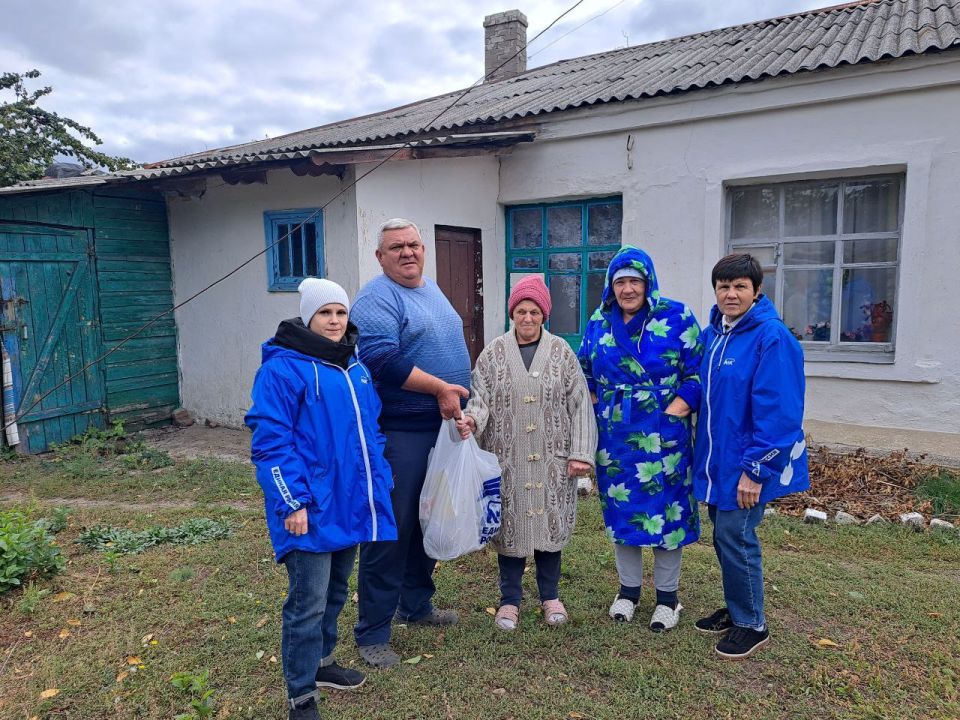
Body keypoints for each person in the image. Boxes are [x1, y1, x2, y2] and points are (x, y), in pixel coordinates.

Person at [245, 278, 398, 720]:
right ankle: (300, 694)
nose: (334, 321)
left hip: (349, 504)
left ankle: (323, 663)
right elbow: (272, 442)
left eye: (340, 312)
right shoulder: (283, 368)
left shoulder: (356, 367)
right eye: (325, 313)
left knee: (334, 591)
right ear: (307, 316)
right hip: (308, 509)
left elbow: (371, 433)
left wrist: (380, 481)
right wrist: (291, 500)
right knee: (306, 603)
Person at [350, 218, 472, 668]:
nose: (407, 252)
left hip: (439, 428)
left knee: (426, 519)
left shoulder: (431, 291)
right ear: (380, 256)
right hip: (400, 430)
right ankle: (373, 631)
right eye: (396, 247)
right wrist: (442, 388)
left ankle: (416, 604)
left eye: (414, 244)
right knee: (392, 527)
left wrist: (461, 401)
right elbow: (380, 360)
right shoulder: (376, 298)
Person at [456, 276, 597, 631]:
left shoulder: (562, 353)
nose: (528, 318)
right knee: (511, 530)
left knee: (550, 529)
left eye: (534, 311)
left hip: (553, 459)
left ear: (544, 314)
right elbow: (480, 397)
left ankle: (550, 596)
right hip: (509, 459)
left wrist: (579, 455)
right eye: (521, 311)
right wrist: (472, 420)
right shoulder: (493, 354)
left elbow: (580, 404)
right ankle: (509, 601)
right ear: (512, 313)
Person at [578, 246, 704, 632]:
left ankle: (668, 598)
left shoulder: (677, 316)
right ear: (610, 286)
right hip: (616, 437)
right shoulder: (599, 322)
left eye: (634, 280)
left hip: (663, 437)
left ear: (648, 282)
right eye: (620, 282)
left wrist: (673, 413)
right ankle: (628, 592)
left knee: (668, 516)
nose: (628, 289)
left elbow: (697, 374)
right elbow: (583, 371)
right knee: (622, 513)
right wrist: (600, 406)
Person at [692, 253, 809, 659]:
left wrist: (756, 471)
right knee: (725, 537)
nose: (730, 294)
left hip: (747, 466)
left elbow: (780, 413)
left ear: (757, 291)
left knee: (736, 536)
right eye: (724, 287)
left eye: (740, 286)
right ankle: (739, 606)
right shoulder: (715, 334)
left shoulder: (771, 338)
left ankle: (752, 623)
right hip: (718, 461)